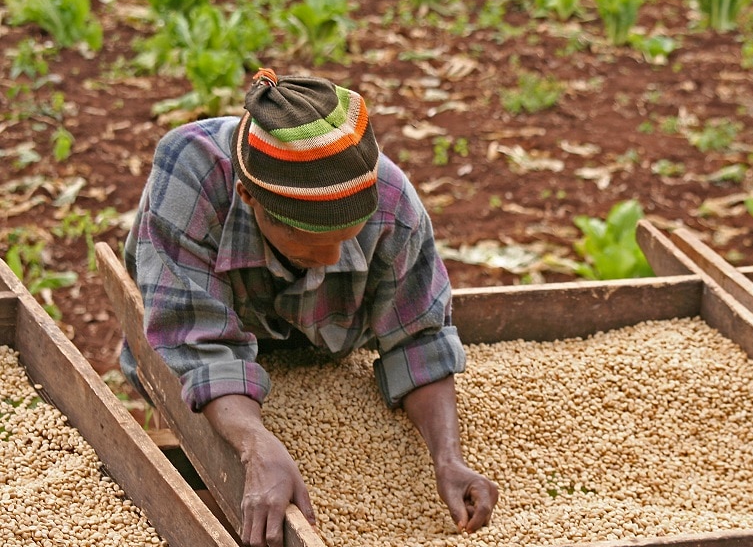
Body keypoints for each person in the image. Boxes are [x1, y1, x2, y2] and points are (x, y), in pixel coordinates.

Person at [119, 67, 498, 547]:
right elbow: (195, 345)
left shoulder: (391, 196)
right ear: (248, 196)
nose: (332, 258)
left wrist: (448, 458)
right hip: (215, 345)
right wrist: (257, 445)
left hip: (324, 348)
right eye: (307, 240)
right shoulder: (190, 174)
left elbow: (418, 335)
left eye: (347, 235)